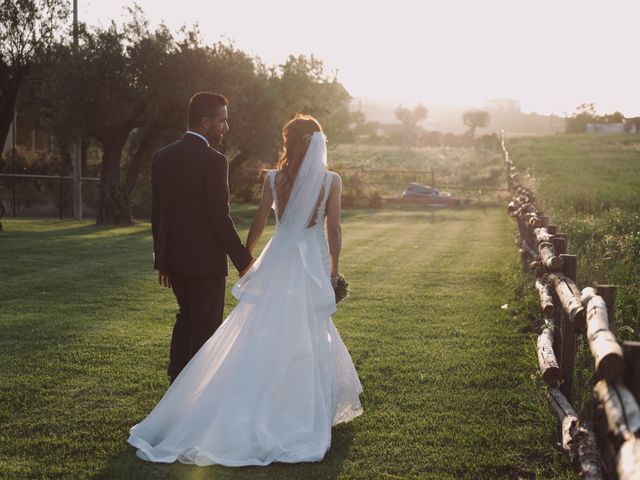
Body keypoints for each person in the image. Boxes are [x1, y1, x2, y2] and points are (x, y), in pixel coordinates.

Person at [129, 114, 363, 466]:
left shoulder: (274, 177)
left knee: (262, 328)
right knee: (309, 329)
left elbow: (258, 222)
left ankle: (257, 397)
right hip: (309, 265)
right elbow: (334, 230)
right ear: (316, 143)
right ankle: (303, 406)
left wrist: (250, 258)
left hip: (277, 259)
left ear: (290, 142)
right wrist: (334, 269)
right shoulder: (331, 181)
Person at [151, 92, 254, 384]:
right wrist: (244, 260)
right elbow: (219, 218)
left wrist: (162, 259)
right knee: (207, 328)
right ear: (205, 122)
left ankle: (176, 383)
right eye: (222, 120)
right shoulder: (214, 161)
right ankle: (196, 392)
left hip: (175, 260)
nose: (227, 127)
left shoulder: (162, 157)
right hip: (206, 263)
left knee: (186, 317)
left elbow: (157, 213)